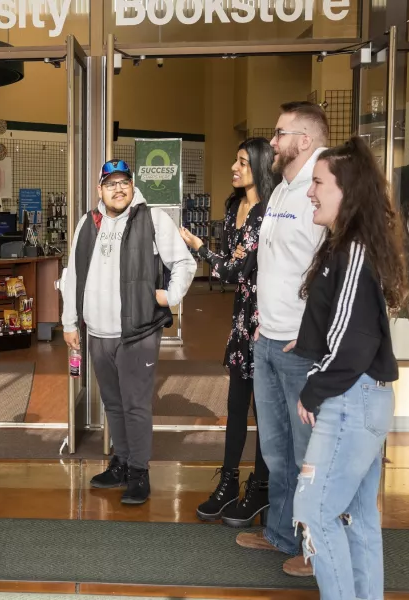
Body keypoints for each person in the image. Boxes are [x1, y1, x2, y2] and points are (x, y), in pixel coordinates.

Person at [291, 136, 405, 599]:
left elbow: (352, 340)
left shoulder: (353, 250)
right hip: (363, 399)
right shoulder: (355, 246)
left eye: (318, 182)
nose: (310, 191)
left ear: (347, 190)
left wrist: (314, 389)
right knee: (359, 518)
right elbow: (349, 324)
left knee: (315, 513)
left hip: (350, 400)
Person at [61, 159, 197, 505]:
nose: (118, 189)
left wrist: (171, 295)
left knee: (136, 404)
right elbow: (73, 275)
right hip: (98, 333)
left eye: (124, 182)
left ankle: (139, 472)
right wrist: (70, 322)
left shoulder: (151, 219)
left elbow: (183, 262)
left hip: (137, 331)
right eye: (111, 183)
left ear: (133, 186)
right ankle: (120, 463)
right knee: (113, 402)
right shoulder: (86, 224)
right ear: (100, 190)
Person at [235, 101, 329, 577]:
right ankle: (282, 534)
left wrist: (311, 335)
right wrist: (259, 321)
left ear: (305, 141)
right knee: (275, 448)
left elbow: (332, 274)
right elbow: (272, 264)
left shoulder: (325, 187)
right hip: (267, 339)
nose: (271, 142)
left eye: (279, 134)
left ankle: (316, 550)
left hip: (300, 347)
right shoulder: (281, 190)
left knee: (307, 450)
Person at [180, 137, 276, 527]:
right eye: (235, 161)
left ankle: (261, 486)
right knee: (236, 407)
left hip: (266, 320)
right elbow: (233, 272)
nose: (234, 168)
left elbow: (232, 270)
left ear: (260, 167)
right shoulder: (234, 206)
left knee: (265, 411)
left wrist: (199, 248)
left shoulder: (268, 212)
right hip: (241, 320)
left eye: (242, 162)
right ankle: (229, 483)